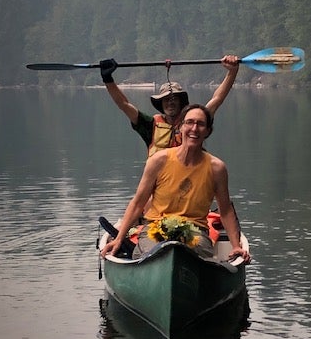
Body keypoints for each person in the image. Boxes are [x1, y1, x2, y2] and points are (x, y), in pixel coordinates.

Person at [101, 103, 250, 263]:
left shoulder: (216, 168)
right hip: (155, 228)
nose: (194, 129)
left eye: (200, 124)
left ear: (207, 131)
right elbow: (138, 203)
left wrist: (235, 246)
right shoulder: (159, 160)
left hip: (196, 231)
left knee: (190, 252)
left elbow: (225, 210)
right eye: (190, 122)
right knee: (157, 251)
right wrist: (119, 239)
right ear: (180, 127)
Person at [100, 55, 239, 156]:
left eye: (174, 99)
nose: (170, 102)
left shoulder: (193, 124)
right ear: (161, 103)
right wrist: (108, 79)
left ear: (181, 102)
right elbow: (124, 104)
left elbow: (217, 99)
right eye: (166, 99)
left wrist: (232, 72)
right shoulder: (150, 125)